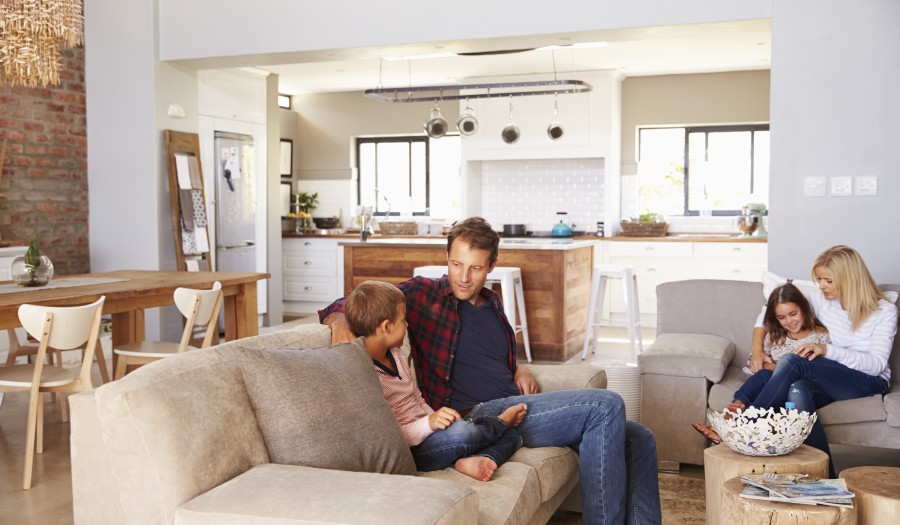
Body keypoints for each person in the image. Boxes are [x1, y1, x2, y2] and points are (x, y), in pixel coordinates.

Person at [321, 217, 661, 525]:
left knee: (639, 437)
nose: (464, 277)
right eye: (456, 264)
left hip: (514, 401)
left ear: (492, 266)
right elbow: (361, 301)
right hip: (478, 413)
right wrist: (338, 321)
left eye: (475, 268)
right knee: (606, 405)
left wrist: (518, 368)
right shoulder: (426, 293)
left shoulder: (493, 302)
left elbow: (489, 355)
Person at [718, 246, 894, 478]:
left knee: (793, 361)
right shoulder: (823, 298)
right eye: (819, 279)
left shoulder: (884, 311)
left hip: (868, 380)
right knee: (796, 391)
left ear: (849, 279)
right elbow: (769, 307)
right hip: (830, 376)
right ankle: (826, 480)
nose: (821, 286)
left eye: (828, 280)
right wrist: (757, 350)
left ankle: (749, 423)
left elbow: (877, 364)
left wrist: (826, 350)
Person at [345, 279, 528, 482]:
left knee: (514, 436)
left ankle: (474, 458)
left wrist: (438, 419)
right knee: (471, 433)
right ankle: (498, 424)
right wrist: (430, 424)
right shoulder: (366, 374)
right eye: (403, 320)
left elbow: (417, 398)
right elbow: (390, 436)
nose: (407, 325)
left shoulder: (396, 354)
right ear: (386, 327)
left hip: (432, 435)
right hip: (412, 449)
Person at [692, 282, 831, 442]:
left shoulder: (820, 336)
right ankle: (737, 406)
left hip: (804, 385)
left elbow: (824, 369)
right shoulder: (774, 336)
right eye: (781, 317)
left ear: (804, 309)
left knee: (779, 376)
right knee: (764, 374)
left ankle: (734, 426)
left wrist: (779, 369)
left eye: (793, 314)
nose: (789, 321)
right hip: (775, 386)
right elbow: (755, 363)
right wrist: (768, 365)